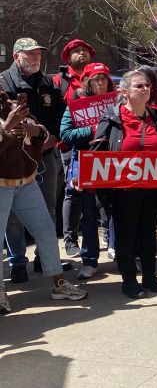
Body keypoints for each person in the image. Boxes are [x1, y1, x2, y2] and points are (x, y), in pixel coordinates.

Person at [93, 69, 157, 299]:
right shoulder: (112, 120)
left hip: (153, 189)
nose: (145, 89)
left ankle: (149, 276)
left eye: (147, 86)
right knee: (127, 234)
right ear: (124, 91)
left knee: (148, 232)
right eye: (139, 86)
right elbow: (97, 153)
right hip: (123, 191)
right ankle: (129, 280)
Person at [0, 92, 87, 314]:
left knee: (47, 231)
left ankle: (59, 284)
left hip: (26, 181)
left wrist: (34, 130)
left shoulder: (9, 103)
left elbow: (43, 132)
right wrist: (6, 128)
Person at [1, 38, 69, 283]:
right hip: (11, 162)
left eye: (38, 54)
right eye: (30, 54)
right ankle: (18, 262)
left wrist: (49, 137)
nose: (36, 58)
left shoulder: (47, 82)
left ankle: (46, 259)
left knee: (48, 209)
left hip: (45, 155)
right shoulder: (3, 82)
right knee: (13, 218)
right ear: (16, 56)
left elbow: (60, 115)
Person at [59, 63, 116, 279]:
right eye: (96, 79)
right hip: (86, 163)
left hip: (112, 162)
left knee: (115, 210)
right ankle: (89, 260)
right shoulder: (76, 105)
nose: (100, 83)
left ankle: (119, 250)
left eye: (103, 78)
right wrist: (91, 130)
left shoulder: (116, 103)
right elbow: (65, 135)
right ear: (88, 83)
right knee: (89, 213)